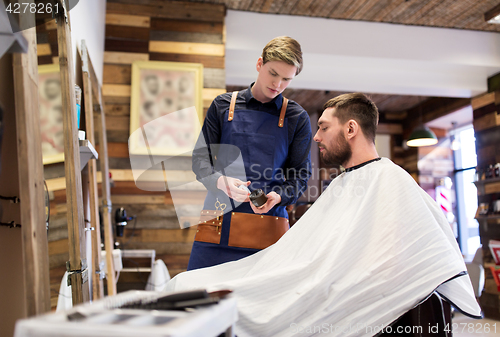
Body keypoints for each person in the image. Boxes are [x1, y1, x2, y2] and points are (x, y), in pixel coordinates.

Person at [167, 93, 481, 336]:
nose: (316, 137)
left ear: (351, 129)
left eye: (323, 127)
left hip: (329, 286)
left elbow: (397, 258)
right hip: (304, 273)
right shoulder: (345, 181)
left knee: (198, 293)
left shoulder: (389, 179)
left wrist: (326, 276)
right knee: (186, 285)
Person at [188, 36, 312, 270]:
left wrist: (280, 196)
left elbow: (300, 175)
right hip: (217, 224)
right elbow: (199, 161)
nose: (278, 84)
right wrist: (220, 181)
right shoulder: (222, 106)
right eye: (273, 73)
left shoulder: (297, 118)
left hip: (269, 227)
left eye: (286, 79)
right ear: (259, 64)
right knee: (201, 295)